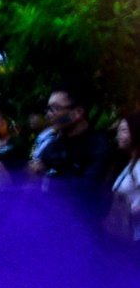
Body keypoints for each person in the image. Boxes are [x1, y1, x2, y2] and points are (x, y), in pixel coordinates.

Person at [31, 89, 113, 188]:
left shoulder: (99, 148)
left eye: (54, 108)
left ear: (78, 112)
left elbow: (89, 188)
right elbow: (36, 168)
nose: (48, 115)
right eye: (48, 109)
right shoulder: (57, 143)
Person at [108, 111, 140, 241]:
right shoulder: (131, 163)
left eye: (123, 130)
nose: (118, 136)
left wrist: (129, 214)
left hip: (133, 237)